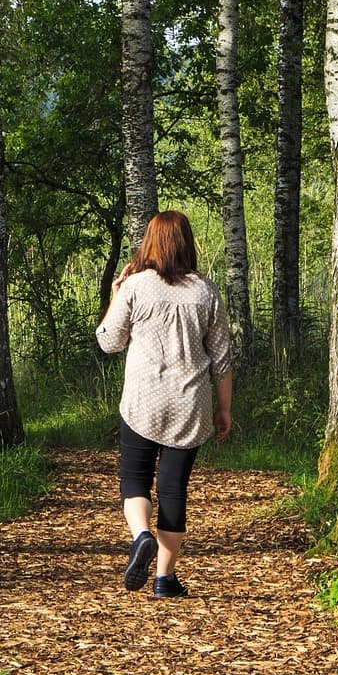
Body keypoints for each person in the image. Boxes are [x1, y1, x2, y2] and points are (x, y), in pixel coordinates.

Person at [96, 210, 232, 599]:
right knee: (174, 490)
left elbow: (109, 341)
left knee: (134, 478)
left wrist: (117, 294)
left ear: (150, 243)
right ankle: (164, 579)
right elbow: (221, 359)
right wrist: (224, 410)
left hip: (143, 402)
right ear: (187, 243)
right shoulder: (205, 292)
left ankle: (141, 536)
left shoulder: (136, 286)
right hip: (190, 404)